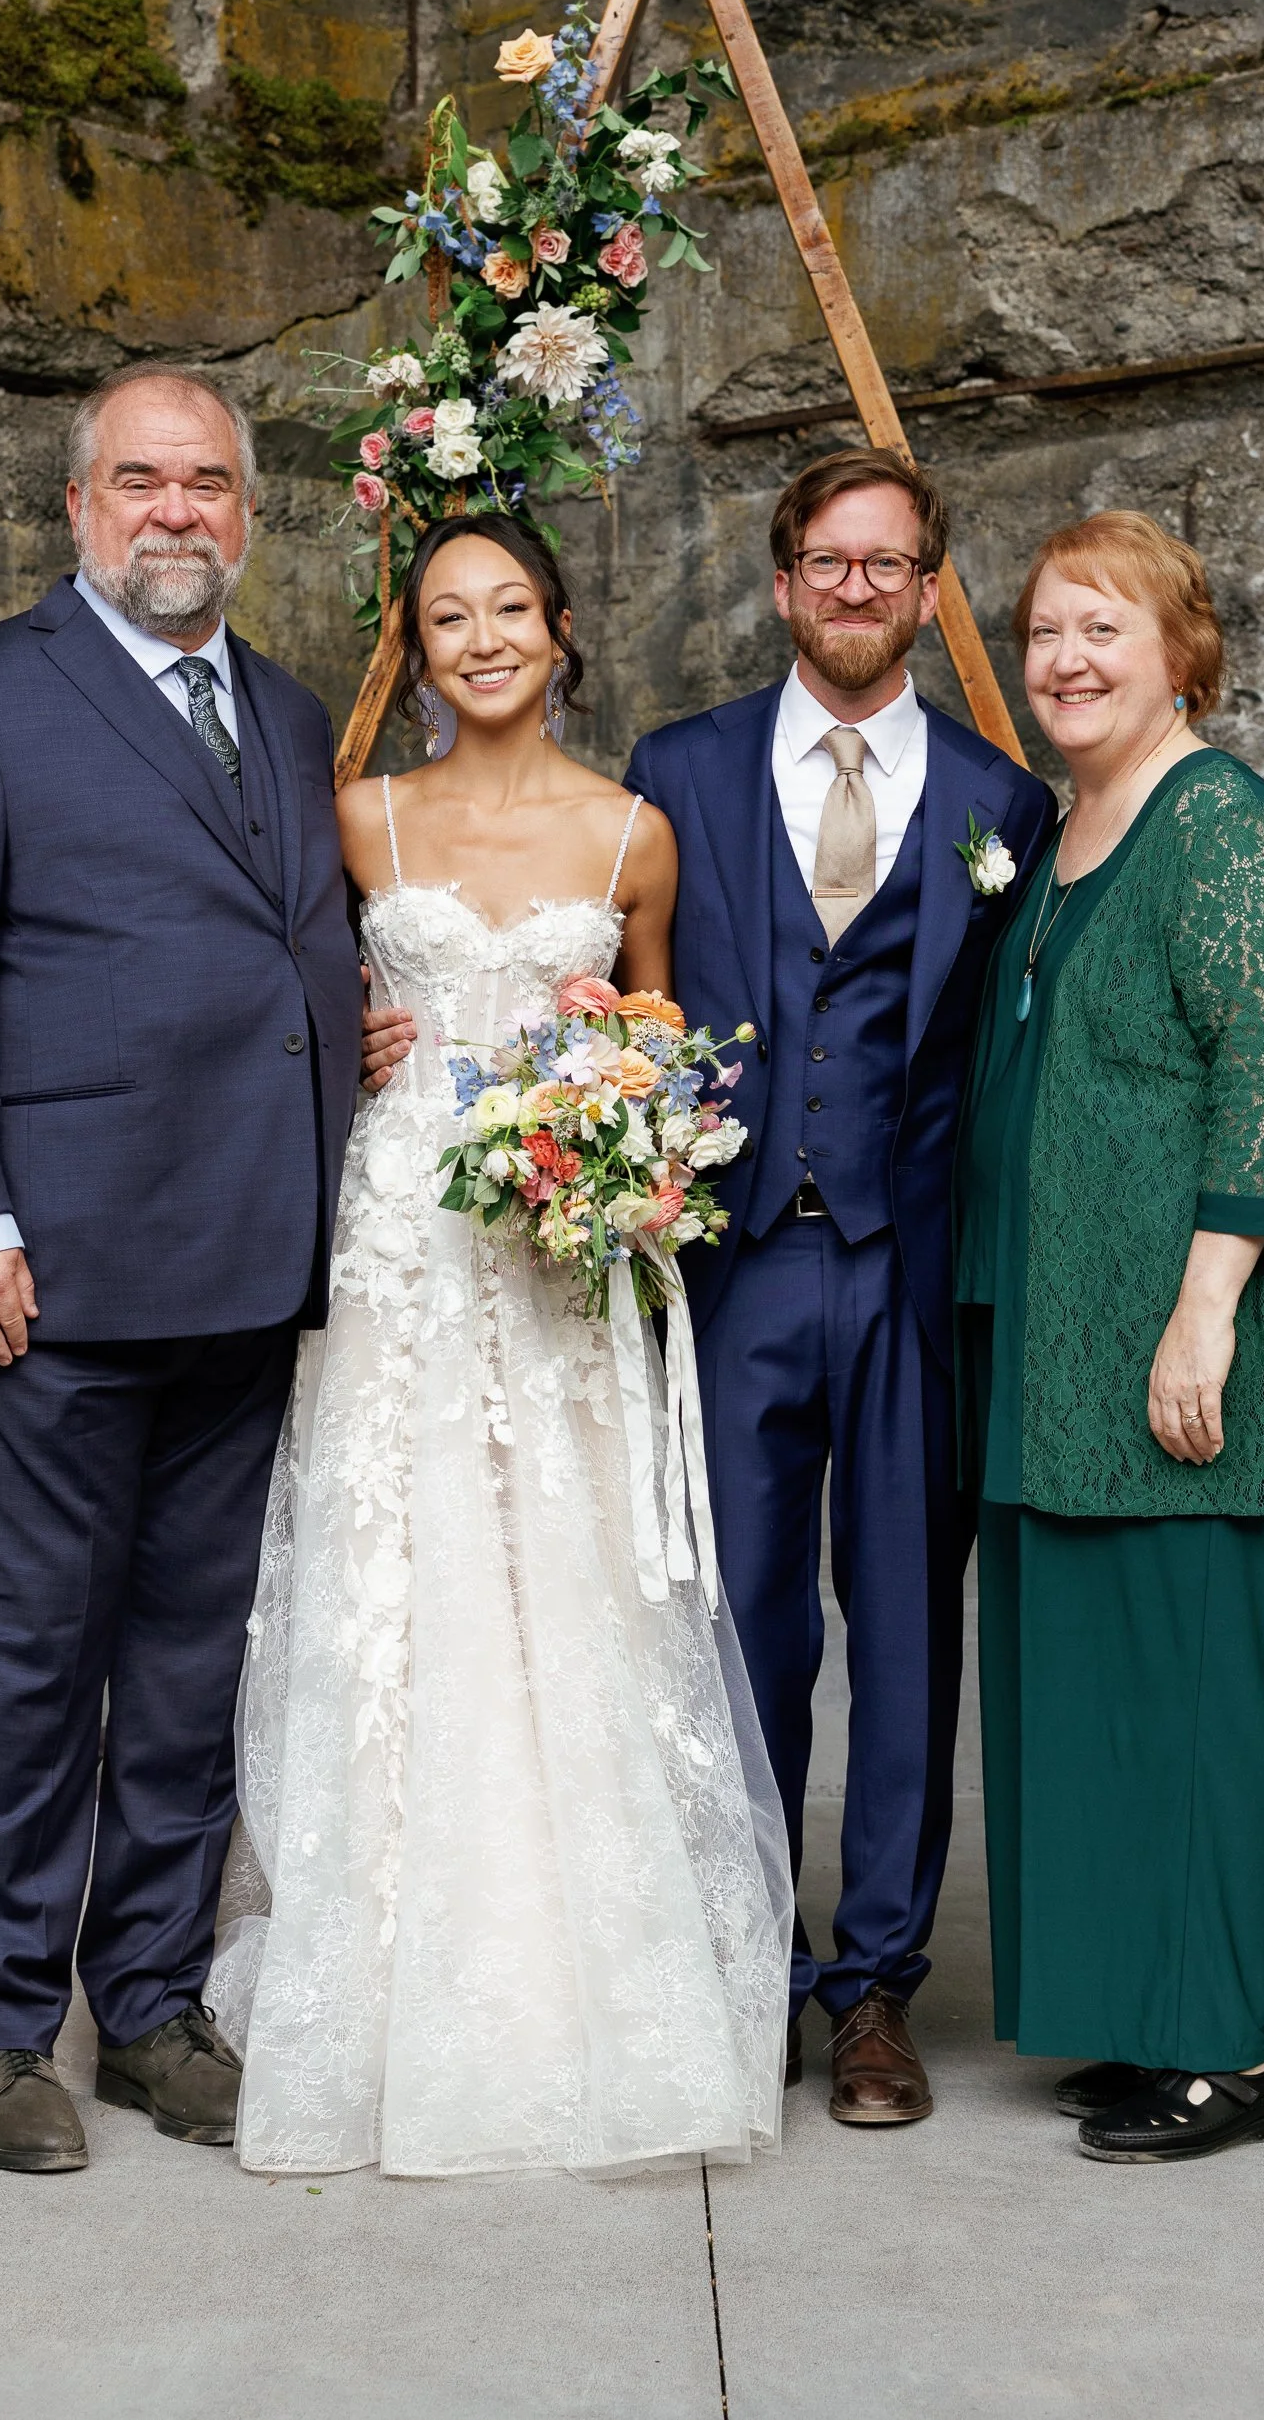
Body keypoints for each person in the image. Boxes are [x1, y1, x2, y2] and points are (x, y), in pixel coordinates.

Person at [0, 360, 392, 2173]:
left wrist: (352, 1032)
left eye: (211, 485)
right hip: (53, 1275)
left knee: (187, 1666)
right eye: (142, 482)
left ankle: (150, 2003)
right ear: (81, 508)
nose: (179, 512)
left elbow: (275, 943)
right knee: (25, 1662)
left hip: (249, 1264)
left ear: (247, 512)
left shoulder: (295, 709)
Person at [212, 512, 792, 2179]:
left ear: (560, 632)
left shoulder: (633, 841)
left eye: (509, 610)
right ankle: (368, 1977)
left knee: (562, 1593)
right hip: (398, 1240)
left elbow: (663, 1039)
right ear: (420, 646)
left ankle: (572, 1982)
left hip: (551, 1263)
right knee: (389, 1584)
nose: (480, 640)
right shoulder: (358, 817)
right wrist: (352, 1025)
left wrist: (631, 1115)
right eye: (447, 616)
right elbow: (286, 1006)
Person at [624, 450, 1055, 2125]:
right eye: (829, 561)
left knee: (904, 1635)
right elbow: (610, 1002)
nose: (860, 589)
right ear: (784, 583)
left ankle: (874, 1984)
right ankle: (743, 1955)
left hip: (910, 1268)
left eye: (892, 564)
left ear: (928, 584)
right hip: (735, 1268)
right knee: (737, 1632)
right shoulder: (681, 768)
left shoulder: (997, 803)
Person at [955, 509, 1264, 2162]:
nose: (1063, 659)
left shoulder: (1218, 822)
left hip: (1178, 1345)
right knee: (1093, 1693)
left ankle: (1231, 2052)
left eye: (1101, 631)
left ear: (1180, 652)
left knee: (1194, 1693)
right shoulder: (1071, 826)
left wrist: (1204, 1315)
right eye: (1046, 631)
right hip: (1061, 1346)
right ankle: (1144, 2015)